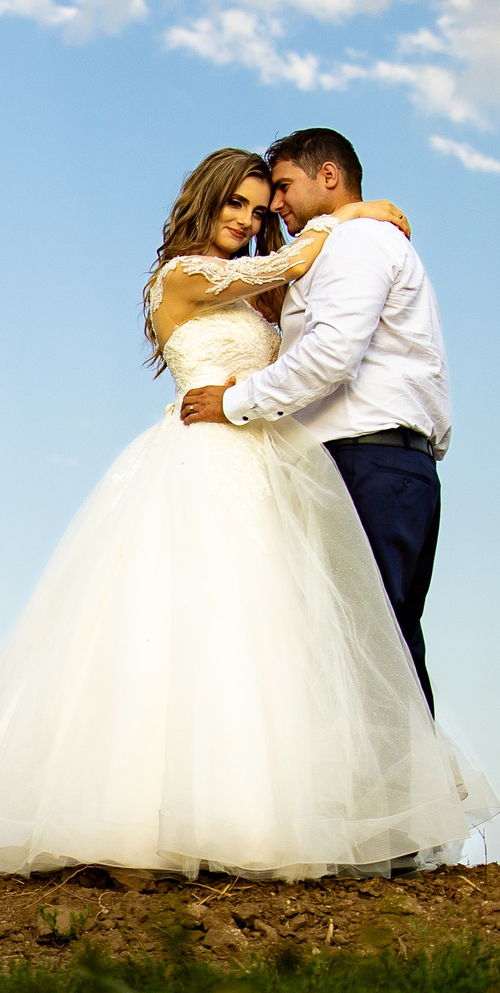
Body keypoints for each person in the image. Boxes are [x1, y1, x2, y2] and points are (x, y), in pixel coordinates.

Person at [0, 146, 496, 880]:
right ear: (206, 198)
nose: (250, 219)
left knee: (274, 635)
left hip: (268, 461)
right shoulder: (186, 277)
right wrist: (355, 212)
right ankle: (151, 820)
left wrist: (340, 230)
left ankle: (278, 816)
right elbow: (283, 267)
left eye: (259, 208)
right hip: (202, 458)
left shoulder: (250, 292)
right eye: (238, 204)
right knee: (185, 627)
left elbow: (299, 306)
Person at [178, 128, 450, 708]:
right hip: (360, 464)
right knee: (359, 647)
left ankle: (399, 793)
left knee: (371, 649)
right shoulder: (327, 249)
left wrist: (232, 401)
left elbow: (330, 355)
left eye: (279, 189)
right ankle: (379, 791)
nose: (270, 210)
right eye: (246, 202)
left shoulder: (356, 243)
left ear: (327, 177)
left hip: (365, 462)